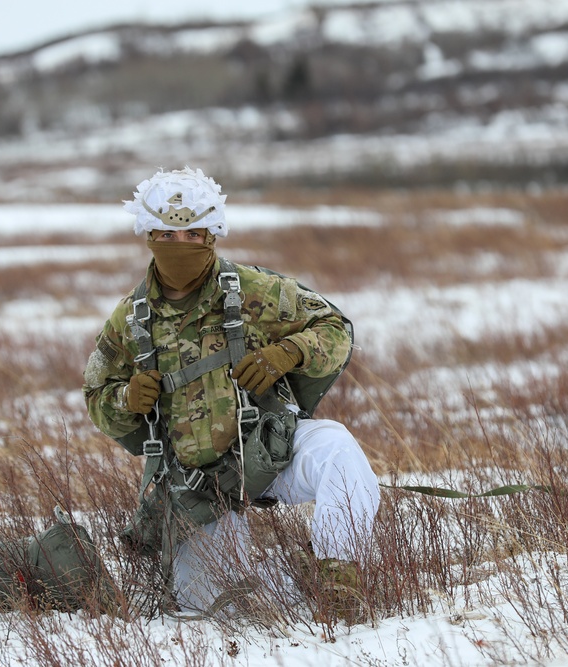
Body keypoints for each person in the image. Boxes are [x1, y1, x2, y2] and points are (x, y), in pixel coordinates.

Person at [83, 167, 380, 619]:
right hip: (198, 488)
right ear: (147, 236)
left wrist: (290, 352)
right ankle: (293, 570)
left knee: (337, 447)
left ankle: (340, 577)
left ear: (212, 235)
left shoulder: (253, 291)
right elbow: (96, 396)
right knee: (220, 608)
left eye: (192, 234)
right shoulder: (131, 319)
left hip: (268, 450)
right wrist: (126, 399)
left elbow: (335, 328)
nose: (179, 245)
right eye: (166, 234)